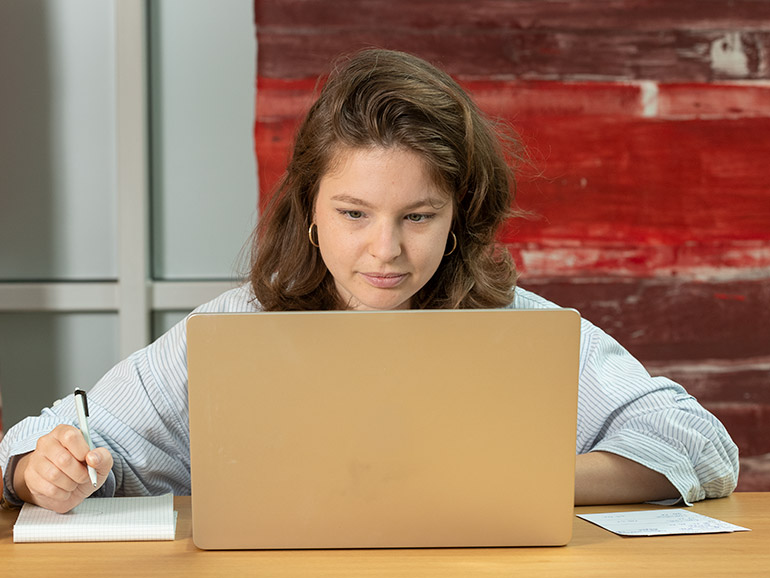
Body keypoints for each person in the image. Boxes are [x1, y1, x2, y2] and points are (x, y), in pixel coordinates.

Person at [0, 49, 738, 514]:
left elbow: (699, 444)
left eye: (417, 216)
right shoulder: (232, 332)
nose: (385, 251)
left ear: (457, 218)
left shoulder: (517, 327)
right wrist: (43, 471)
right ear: (311, 212)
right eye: (354, 213)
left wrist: (496, 478)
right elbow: (49, 440)